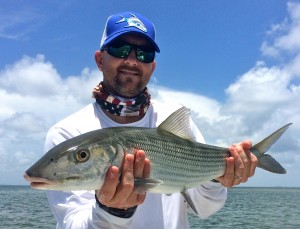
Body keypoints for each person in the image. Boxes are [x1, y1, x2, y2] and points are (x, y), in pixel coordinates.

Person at [44, 11, 258, 229]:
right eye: (120, 49)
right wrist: (110, 212)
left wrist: (216, 177)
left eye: (144, 54)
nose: (132, 61)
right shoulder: (67, 132)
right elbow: (71, 222)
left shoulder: (170, 115)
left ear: (152, 67)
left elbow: (205, 209)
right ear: (100, 59)